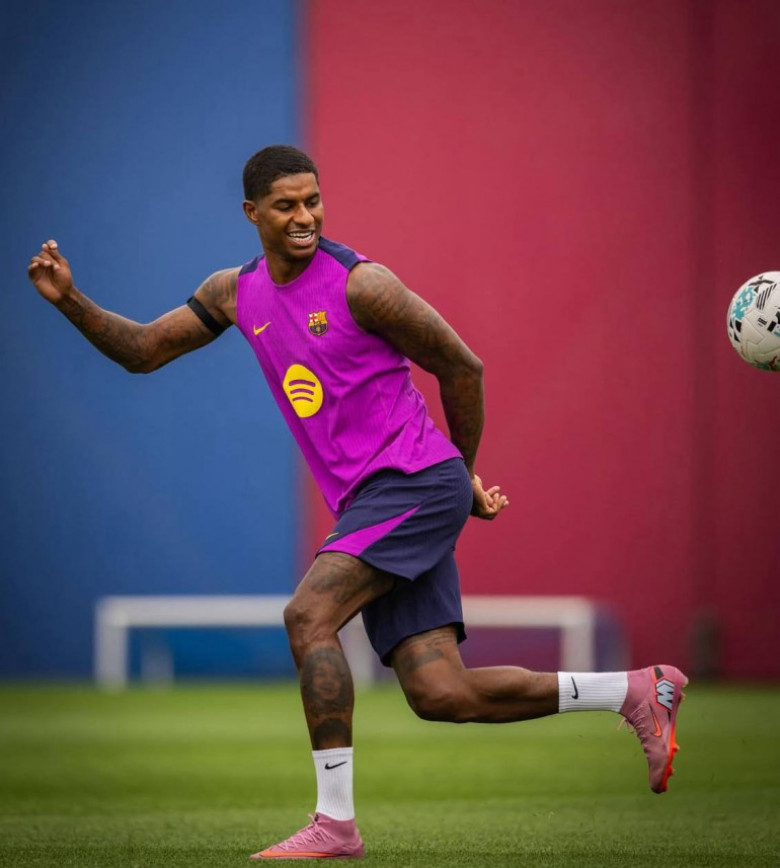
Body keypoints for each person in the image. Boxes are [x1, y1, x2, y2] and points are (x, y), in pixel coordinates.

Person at [28, 145, 687, 861]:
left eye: (313, 200)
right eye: (285, 205)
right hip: (387, 497)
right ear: (251, 213)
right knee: (441, 693)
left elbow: (462, 367)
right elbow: (144, 350)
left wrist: (461, 475)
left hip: (414, 482)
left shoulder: (363, 285)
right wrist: (70, 301)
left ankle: (335, 823)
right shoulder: (233, 292)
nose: (304, 217)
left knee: (308, 615)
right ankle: (636, 690)